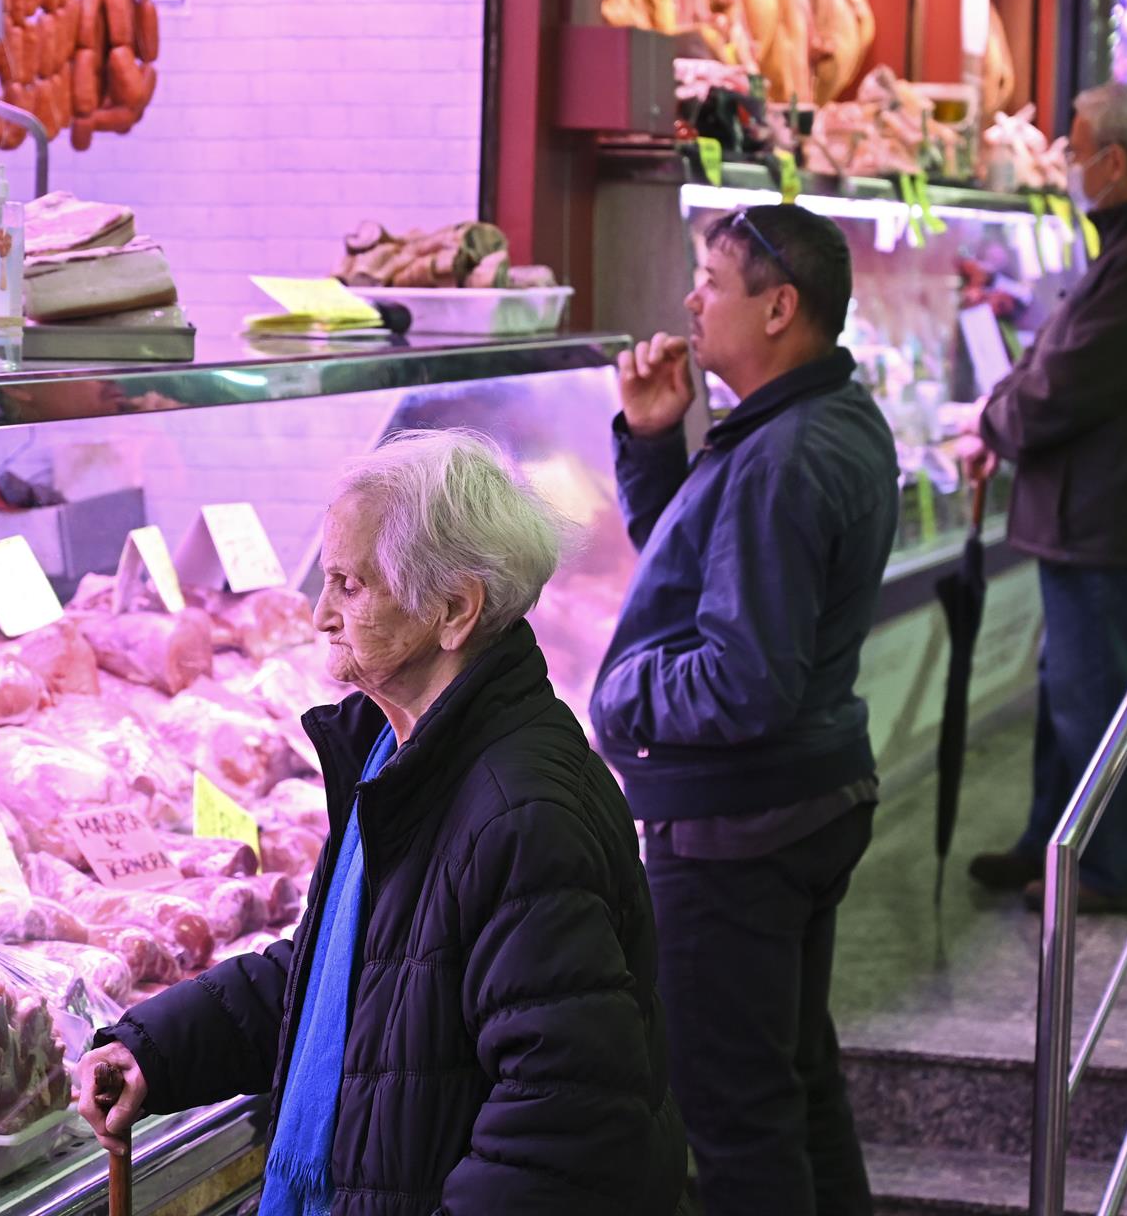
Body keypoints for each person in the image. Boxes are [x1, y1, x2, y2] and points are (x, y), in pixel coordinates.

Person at [73, 429, 686, 1216]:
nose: (320, 613)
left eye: (349, 585)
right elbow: (360, 971)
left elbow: (559, 1131)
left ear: (455, 611)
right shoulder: (398, 754)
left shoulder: (520, 815)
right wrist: (157, 1049)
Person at [591, 204, 899, 1216]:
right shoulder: (815, 420)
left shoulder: (783, 456)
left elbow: (742, 678)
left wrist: (617, 690)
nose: (689, 299)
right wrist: (650, 437)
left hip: (737, 830)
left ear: (779, 307)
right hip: (803, 799)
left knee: (734, 1120)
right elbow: (697, 572)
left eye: (711, 281)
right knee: (796, 1087)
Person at [960, 82, 1127, 913]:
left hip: (1109, 516)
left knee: (1100, 697)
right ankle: (1053, 844)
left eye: (1074, 150)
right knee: (1071, 690)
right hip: (1090, 511)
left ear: (1115, 160)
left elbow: (1066, 384)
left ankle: (1109, 868)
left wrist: (992, 421)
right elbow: (1060, 358)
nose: (1066, 165)